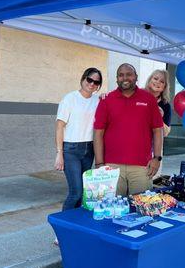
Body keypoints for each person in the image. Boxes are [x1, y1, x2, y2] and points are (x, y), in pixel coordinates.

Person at [93, 63, 164, 196]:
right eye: (121, 75)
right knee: (112, 209)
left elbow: (157, 130)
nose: (125, 78)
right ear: (116, 79)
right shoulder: (106, 100)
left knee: (142, 210)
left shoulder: (148, 99)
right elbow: (98, 133)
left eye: (129, 74)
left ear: (136, 77)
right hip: (111, 167)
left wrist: (157, 158)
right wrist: (99, 164)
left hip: (142, 167)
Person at [55, 67, 102, 211]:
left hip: (89, 150)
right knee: (76, 192)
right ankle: (63, 227)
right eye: (89, 80)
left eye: (96, 82)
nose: (92, 84)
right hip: (71, 150)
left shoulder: (98, 100)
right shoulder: (69, 99)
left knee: (83, 195)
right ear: (83, 78)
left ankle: (75, 225)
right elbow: (59, 126)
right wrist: (59, 153)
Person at [144, 69, 172, 137]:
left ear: (164, 87)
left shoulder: (166, 105)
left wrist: (158, 117)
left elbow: (165, 133)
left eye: (162, 81)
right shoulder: (139, 96)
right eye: (155, 78)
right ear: (150, 80)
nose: (158, 82)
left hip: (154, 144)